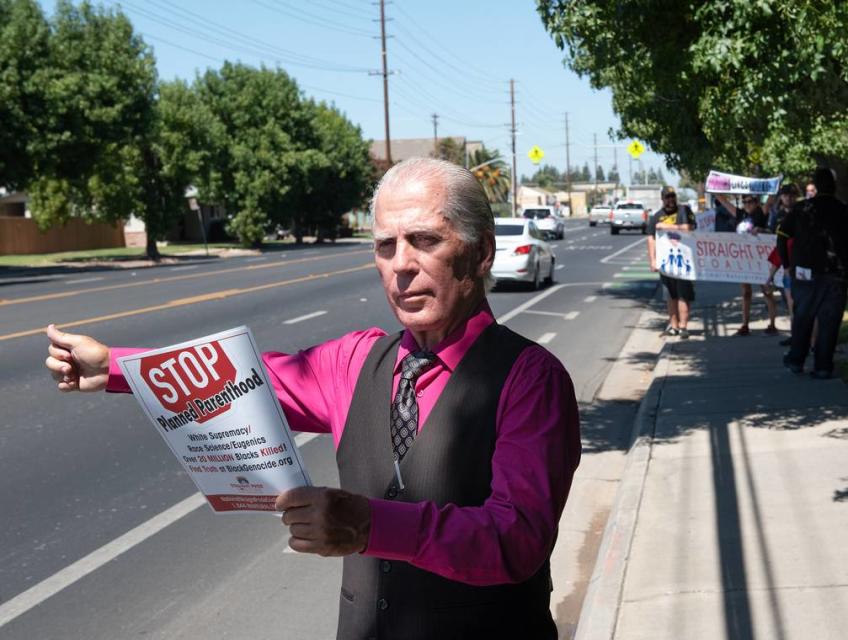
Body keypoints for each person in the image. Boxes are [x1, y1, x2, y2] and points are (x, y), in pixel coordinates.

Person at [45, 157, 581, 639]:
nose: (401, 265)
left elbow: (518, 537)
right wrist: (116, 367)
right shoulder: (353, 362)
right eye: (385, 245)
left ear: (481, 251)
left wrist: (373, 526)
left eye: (424, 240)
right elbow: (245, 382)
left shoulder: (530, 378)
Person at [778, 167, 848, 378]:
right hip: (836, 274)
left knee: (802, 317)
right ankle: (823, 366)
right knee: (829, 321)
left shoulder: (801, 209)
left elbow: (781, 236)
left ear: (815, 186)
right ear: (834, 186)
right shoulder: (843, 210)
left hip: (805, 274)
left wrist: (787, 265)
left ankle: (796, 359)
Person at [715, 193, 779, 336]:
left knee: (766, 291)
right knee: (745, 292)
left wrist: (762, 230)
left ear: (756, 202)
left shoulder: (761, 213)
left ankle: (772, 324)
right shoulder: (740, 214)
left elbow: (769, 202)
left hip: (760, 259)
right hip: (744, 260)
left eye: (750, 201)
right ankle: (745, 325)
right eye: (744, 202)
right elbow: (724, 202)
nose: (747, 204)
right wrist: (714, 188)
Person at [647, 187, 696, 339]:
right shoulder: (656, 217)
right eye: (667, 197)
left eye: (672, 196)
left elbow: (689, 228)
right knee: (670, 296)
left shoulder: (684, 210)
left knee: (683, 295)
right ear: (662, 199)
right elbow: (651, 239)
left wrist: (667, 226)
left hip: (684, 262)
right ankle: (673, 326)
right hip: (666, 263)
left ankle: (683, 326)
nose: (670, 199)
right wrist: (653, 260)